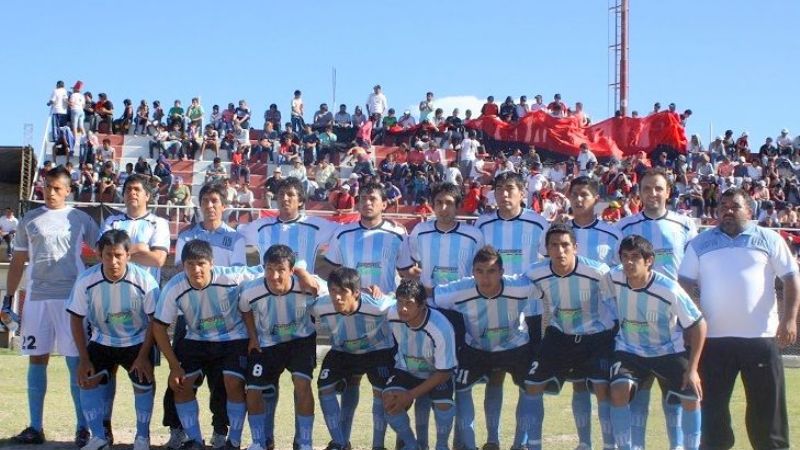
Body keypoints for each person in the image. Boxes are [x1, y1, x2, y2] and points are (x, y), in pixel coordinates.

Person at [678, 188, 799, 450]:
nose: (727, 211)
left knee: (767, 410)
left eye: (734, 206)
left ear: (750, 210)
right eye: (722, 206)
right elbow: (684, 284)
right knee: (712, 409)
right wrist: (687, 323)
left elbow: (791, 278)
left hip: (761, 339)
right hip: (713, 341)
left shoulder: (770, 239)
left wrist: (789, 320)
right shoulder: (700, 243)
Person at [3, 166, 100, 446]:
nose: (51, 192)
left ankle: (82, 427)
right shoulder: (29, 219)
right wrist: (9, 300)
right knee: (37, 359)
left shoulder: (80, 218)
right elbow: (18, 262)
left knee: (75, 362)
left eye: (57, 187)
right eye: (47, 186)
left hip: (71, 301)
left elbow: (104, 253)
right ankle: (35, 427)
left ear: (68, 190)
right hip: (37, 299)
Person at [615, 168, 698, 449]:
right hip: (635, 322)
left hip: (673, 322)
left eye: (658, 188)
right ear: (639, 192)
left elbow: (691, 273)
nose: (653, 194)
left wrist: (689, 320)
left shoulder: (685, 225)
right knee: (638, 391)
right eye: (647, 188)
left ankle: (676, 446)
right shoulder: (625, 226)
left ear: (668, 192)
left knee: (674, 393)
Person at [152, 240, 262, 450]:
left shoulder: (232, 277)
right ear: (182, 265)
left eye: (201, 263)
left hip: (233, 338)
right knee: (181, 382)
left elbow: (265, 271)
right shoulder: (174, 287)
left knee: (232, 382)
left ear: (211, 263)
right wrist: (174, 365)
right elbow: (159, 327)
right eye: (190, 264)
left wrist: (303, 274)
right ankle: (194, 439)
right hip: (196, 339)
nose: (196, 269)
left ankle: (233, 441)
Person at [433, 246, 542, 450]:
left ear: (501, 272)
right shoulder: (460, 289)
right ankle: (471, 445)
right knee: (462, 389)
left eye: (491, 271)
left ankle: (520, 445)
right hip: (476, 348)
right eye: (480, 271)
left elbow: (545, 287)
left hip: (516, 346)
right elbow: (430, 295)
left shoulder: (519, 286)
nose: (485, 278)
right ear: (472, 272)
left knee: (529, 388)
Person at [607, 235, 706, 450]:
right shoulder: (613, 277)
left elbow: (698, 324)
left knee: (691, 395)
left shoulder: (668, 288)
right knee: (618, 390)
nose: (629, 262)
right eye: (625, 257)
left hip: (667, 351)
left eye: (635, 257)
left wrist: (693, 369)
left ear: (649, 260)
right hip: (629, 351)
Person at [524, 224, 617, 450]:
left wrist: (616, 335)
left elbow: (615, 301)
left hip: (596, 337)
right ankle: (540, 445)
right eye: (554, 245)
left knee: (600, 387)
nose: (560, 251)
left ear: (575, 247)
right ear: (546, 249)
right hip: (561, 336)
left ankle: (609, 445)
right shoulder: (535, 273)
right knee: (533, 384)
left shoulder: (599, 271)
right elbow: (519, 294)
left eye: (565, 245)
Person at [66, 229, 160, 450]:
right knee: (87, 379)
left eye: (118, 255)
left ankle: (142, 437)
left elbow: (155, 321)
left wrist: (144, 355)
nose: (113, 261)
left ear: (128, 255)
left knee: (143, 380)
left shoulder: (145, 280)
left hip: (137, 342)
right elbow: (75, 319)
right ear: (99, 255)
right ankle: (99, 438)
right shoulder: (86, 280)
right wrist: (84, 359)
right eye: (108, 255)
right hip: (102, 339)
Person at [473, 171, 548, 443]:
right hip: (492, 311)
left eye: (511, 189)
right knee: (494, 378)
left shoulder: (540, 224)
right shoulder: (482, 225)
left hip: (531, 314)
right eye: (500, 189)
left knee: (528, 382)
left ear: (522, 194)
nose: (505, 194)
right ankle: (492, 440)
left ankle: (521, 442)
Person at [239, 244, 324, 450]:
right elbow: (245, 310)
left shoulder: (308, 284)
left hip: (300, 341)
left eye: (280, 270)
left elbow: (338, 294)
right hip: (267, 343)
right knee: (253, 389)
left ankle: (305, 442)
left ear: (291, 271)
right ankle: (259, 442)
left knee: (302, 384)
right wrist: (253, 337)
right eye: (269, 269)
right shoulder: (251, 290)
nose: (274, 275)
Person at [308, 267, 396, 450]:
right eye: (333, 291)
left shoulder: (378, 305)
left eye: (342, 292)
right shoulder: (320, 306)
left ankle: (378, 446)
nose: (336, 297)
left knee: (381, 393)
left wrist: (391, 292)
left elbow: (399, 303)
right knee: (324, 387)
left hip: (377, 350)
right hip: (343, 350)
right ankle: (340, 443)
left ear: (356, 293)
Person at [384, 279, 457, 450]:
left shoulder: (440, 327)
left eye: (408, 303)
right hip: (407, 370)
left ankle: (441, 445)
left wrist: (411, 395)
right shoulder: (391, 313)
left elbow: (444, 372)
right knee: (389, 401)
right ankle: (412, 445)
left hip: (436, 374)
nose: (402, 308)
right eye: (400, 302)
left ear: (422, 304)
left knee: (444, 403)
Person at [244, 176, 336, 273]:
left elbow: (344, 232)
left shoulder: (315, 226)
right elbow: (234, 234)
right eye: (281, 194)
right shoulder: (260, 226)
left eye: (290, 194)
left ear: (300, 201)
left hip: (301, 287)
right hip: (268, 286)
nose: (285, 198)